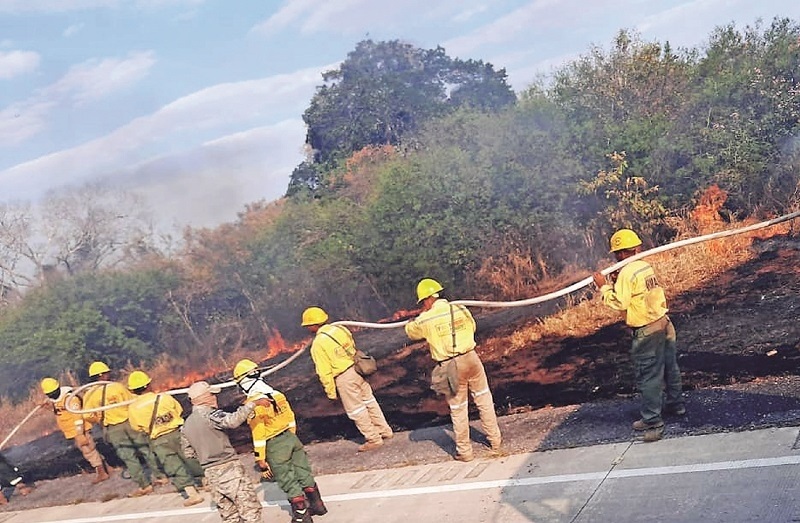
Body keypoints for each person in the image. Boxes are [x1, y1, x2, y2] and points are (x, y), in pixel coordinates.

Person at [592, 228, 685, 442]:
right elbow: (637, 293)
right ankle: (676, 405)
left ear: (621, 253)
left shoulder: (626, 272)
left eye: (616, 254)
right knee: (670, 368)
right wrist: (617, 282)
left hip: (647, 330)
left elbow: (619, 303)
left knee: (649, 376)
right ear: (637, 248)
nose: (615, 257)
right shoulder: (644, 266)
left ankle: (653, 423)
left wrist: (604, 288)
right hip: (663, 322)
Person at [404, 279, 502, 462]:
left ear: (427, 300)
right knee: (484, 399)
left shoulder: (425, 318)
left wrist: (418, 317)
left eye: (423, 302)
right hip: (472, 358)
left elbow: (411, 332)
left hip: (451, 366)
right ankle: (495, 441)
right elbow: (472, 327)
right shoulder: (459, 308)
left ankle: (465, 452)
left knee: (458, 408)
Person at [233, 359, 328, 522]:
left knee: (288, 480)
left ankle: (301, 516)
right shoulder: (277, 394)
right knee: (303, 472)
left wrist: (260, 458)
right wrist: (291, 437)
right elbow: (290, 417)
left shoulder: (253, 404)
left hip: (275, 444)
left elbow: (259, 432)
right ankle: (317, 505)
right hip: (291, 438)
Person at [303, 306, 393, 452]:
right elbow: (352, 345)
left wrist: (330, 392)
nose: (308, 329)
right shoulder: (340, 329)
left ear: (313, 325)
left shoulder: (318, 344)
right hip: (357, 369)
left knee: (356, 409)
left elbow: (324, 371)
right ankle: (385, 431)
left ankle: (373, 439)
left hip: (344, 377)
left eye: (308, 326)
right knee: (369, 401)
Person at [180, 381, 269, 523]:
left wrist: (206, 453)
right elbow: (231, 421)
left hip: (210, 474)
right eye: (212, 395)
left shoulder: (186, 425)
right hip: (230, 468)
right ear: (205, 397)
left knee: (230, 516)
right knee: (250, 511)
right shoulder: (210, 415)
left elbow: (189, 453)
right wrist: (252, 404)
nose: (215, 398)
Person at [81, 361, 167, 497]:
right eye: (107, 372)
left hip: (114, 429)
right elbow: (131, 400)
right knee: (145, 449)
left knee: (128, 457)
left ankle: (144, 486)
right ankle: (161, 476)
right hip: (130, 421)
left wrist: (99, 419)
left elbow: (87, 415)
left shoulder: (89, 395)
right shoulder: (117, 387)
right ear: (103, 374)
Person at [127, 370, 205, 507]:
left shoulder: (133, 408)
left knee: (173, 466)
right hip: (178, 433)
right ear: (148, 385)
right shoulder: (164, 398)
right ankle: (206, 482)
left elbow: (136, 427)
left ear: (133, 391)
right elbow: (179, 410)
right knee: (191, 457)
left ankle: (192, 494)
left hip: (158, 440)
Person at [40, 377, 110, 484]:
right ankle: (107, 468)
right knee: (89, 449)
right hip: (71, 431)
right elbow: (61, 412)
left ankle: (102, 473)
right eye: (49, 394)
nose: (51, 395)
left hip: (79, 429)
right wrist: (48, 407)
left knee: (88, 450)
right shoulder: (57, 400)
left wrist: (80, 434)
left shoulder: (71, 398)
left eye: (52, 393)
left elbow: (77, 417)